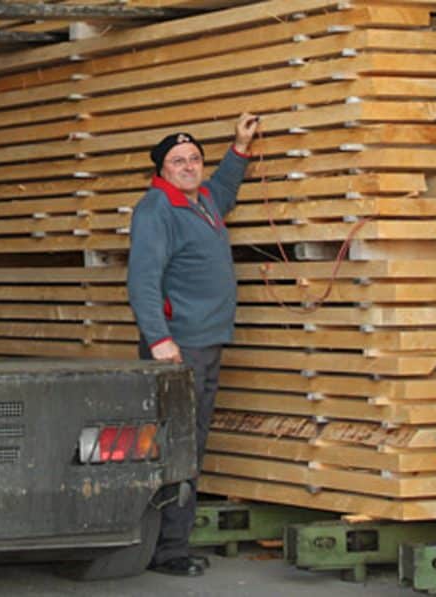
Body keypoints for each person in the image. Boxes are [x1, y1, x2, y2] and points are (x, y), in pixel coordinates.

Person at [127, 113, 259, 576]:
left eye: (194, 158)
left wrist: (239, 148)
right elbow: (142, 280)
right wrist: (159, 340)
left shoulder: (202, 200)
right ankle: (167, 552)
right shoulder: (156, 210)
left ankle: (170, 544)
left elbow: (224, 189)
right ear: (161, 169)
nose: (188, 166)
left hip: (206, 343)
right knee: (178, 446)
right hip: (179, 348)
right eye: (178, 160)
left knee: (191, 443)